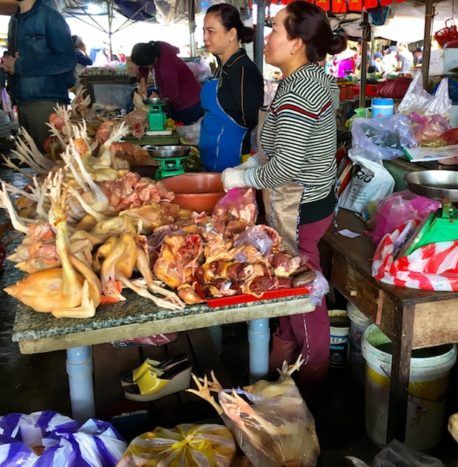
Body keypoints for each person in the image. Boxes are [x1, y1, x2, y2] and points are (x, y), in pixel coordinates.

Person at [220, 1, 346, 391]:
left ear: (297, 43)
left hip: (300, 206)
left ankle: (311, 380)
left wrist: (239, 177)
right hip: (307, 201)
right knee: (288, 284)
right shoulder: (304, 80)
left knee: (303, 293)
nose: (267, 37)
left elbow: (287, 168)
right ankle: (282, 367)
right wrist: (256, 160)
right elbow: (283, 148)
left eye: (275, 29)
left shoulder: (300, 92)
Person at [1, 0, 75, 150]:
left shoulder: (50, 17)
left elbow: (66, 60)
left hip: (46, 100)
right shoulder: (14, 20)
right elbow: (18, 56)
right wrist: (8, 63)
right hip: (22, 100)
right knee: (36, 162)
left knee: (51, 160)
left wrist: (19, 65)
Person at [200, 4, 264, 172]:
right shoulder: (223, 67)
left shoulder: (242, 70)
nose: (205, 37)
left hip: (231, 162)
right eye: (204, 31)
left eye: (211, 31)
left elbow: (251, 119)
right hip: (211, 157)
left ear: (232, 34)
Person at [131, 41, 202, 126]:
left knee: (185, 132)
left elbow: (172, 94)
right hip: (178, 99)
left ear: (153, 60)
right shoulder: (155, 50)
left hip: (189, 103)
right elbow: (143, 67)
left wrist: (159, 98)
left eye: (147, 66)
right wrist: (143, 83)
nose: (146, 68)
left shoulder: (167, 66)